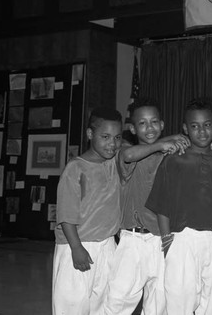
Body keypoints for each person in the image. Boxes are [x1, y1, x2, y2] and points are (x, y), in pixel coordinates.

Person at [145, 97, 212, 315]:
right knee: (179, 301)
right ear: (185, 128)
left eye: (206, 125)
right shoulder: (174, 159)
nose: (201, 132)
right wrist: (167, 241)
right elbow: (162, 203)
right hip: (183, 240)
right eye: (194, 126)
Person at [103, 98, 190, 315]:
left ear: (162, 124)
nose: (149, 128)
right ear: (132, 129)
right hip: (132, 240)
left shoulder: (169, 155)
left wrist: (168, 144)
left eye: (153, 123)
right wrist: (162, 142)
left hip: (162, 239)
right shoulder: (126, 152)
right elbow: (129, 154)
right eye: (142, 123)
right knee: (118, 300)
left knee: (159, 302)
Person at [52, 106, 123, 314]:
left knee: (103, 304)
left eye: (117, 137)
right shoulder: (76, 169)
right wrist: (76, 248)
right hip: (77, 246)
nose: (113, 143)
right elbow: (65, 215)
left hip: (107, 245)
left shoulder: (114, 162)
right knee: (72, 304)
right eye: (106, 136)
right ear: (90, 134)